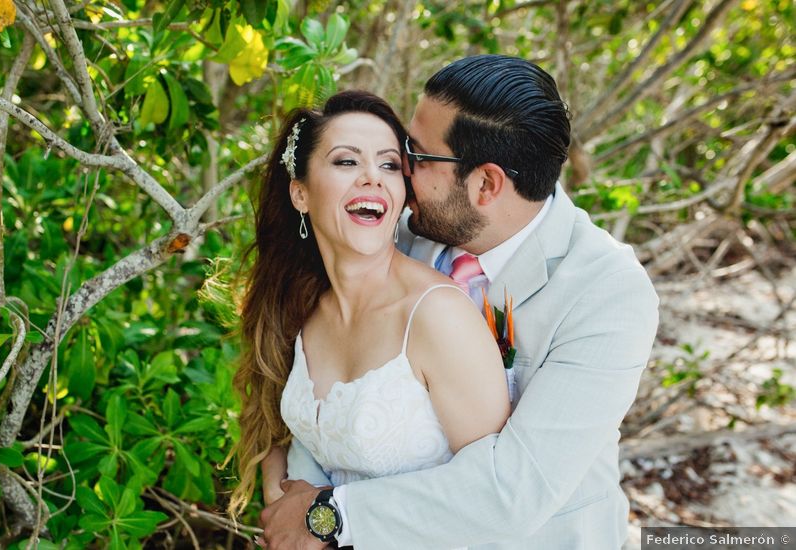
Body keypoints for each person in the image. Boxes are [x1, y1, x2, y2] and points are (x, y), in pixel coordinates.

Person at [259, 55, 659, 549]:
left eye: (418, 157)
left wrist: (329, 517)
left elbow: (515, 489)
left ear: (486, 184)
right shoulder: (403, 230)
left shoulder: (606, 291)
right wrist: (288, 486)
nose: (398, 171)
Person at [228, 90, 512, 542]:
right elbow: (276, 430)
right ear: (300, 193)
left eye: (388, 165)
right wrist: (279, 503)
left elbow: (493, 499)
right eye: (346, 162)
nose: (372, 179)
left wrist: (320, 522)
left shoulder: (437, 315)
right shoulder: (297, 303)